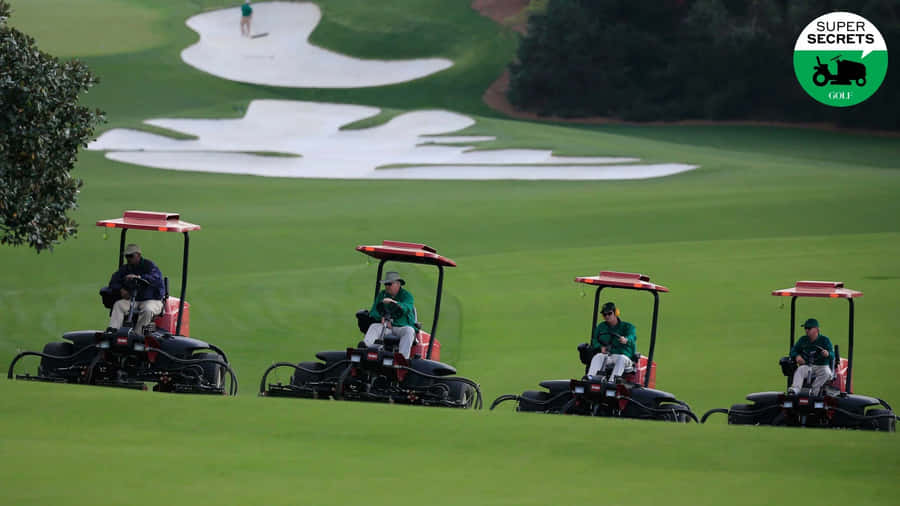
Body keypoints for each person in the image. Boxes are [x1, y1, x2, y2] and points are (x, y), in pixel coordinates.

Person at [107, 244, 165, 335]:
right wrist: (121, 289)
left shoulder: (149, 266)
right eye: (127, 256)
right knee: (119, 305)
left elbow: (156, 279)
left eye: (130, 256)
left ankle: (138, 334)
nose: (128, 259)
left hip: (152, 300)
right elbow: (113, 282)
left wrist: (139, 277)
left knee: (147, 309)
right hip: (134, 299)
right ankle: (113, 332)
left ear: (138, 255)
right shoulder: (126, 268)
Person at [361, 271, 416, 359]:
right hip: (386, 326)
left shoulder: (407, 296)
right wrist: (382, 317)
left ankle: (402, 358)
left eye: (389, 284)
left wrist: (395, 303)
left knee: (409, 331)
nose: (387, 286)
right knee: (374, 326)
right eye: (386, 284)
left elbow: (407, 308)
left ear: (398, 284)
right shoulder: (382, 295)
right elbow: (374, 311)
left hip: (401, 326)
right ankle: (365, 349)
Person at [585, 302, 636, 382]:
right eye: (605, 314)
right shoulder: (601, 326)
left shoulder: (628, 327)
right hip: (608, 355)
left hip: (624, 357)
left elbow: (632, 337)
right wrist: (600, 347)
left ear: (616, 312)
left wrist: (626, 339)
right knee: (598, 356)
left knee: (621, 359)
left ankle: (612, 382)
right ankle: (590, 380)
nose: (607, 316)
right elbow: (594, 340)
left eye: (609, 313)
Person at [787, 318, 834, 396]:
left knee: (826, 373)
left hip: (821, 366)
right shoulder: (803, 340)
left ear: (816, 329)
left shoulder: (825, 340)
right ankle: (795, 389)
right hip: (808, 365)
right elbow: (793, 351)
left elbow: (832, 354)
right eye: (806, 328)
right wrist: (797, 356)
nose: (807, 330)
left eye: (809, 328)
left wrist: (827, 354)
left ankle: (814, 392)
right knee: (800, 370)